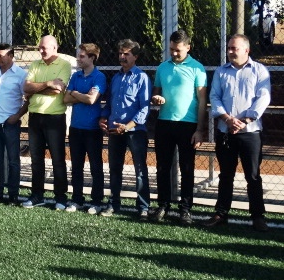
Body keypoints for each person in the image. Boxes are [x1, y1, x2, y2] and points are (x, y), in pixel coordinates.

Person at [203, 34, 271, 232]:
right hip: (226, 131)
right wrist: (227, 119)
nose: (231, 51)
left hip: (250, 132)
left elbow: (263, 98)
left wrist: (245, 120)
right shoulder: (221, 72)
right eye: (229, 48)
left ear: (247, 50)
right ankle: (221, 214)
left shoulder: (259, 70)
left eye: (235, 48)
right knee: (226, 175)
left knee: (253, 176)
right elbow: (215, 96)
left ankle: (257, 216)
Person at [150, 30, 207, 226]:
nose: (174, 53)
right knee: (162, 167)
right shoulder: (162, 67)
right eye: (171, 49)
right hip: (164, 123)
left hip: (188, 125)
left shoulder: (197, 68)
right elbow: (156, 93)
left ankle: (185, 209)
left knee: (187, 168)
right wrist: (156, 98)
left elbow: (202, 100)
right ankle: (163, 205)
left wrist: (199, 129)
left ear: (188, 48)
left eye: (178, 50)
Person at [99, 39, 151, 220]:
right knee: (114, 168)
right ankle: (113, 203)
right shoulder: (116, 78)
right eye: (120, 53)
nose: (122, 57)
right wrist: (103, 118)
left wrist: (128, 126)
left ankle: (143, 207)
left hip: (135, 132)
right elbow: (109, 104)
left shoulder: (142, 78)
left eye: (126, 54)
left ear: (135, 57)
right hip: (115, 131)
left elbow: (144, 108)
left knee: (140, 170)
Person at [22, 35, 72, 210]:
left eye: (44, 47)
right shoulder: (35, 64)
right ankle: (37, 195)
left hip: (55, 118)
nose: (41, 50)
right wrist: (49, 83)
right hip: (35, 116)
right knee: (36, 160)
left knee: (58, 160)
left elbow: (58, 90)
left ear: (55, 48)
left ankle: (60, 197)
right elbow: (26, 87)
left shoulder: (64, 65)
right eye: (40, 47)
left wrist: (35, 89)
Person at [0, 44, 29, 205]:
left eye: (1, 55)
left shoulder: (21, 74)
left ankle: (13, 195)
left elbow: (28, 100)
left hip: (10, 125)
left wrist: (17, 116)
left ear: (11, 56)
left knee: (13, 161)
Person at [63, 43, 107, 214]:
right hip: (75, 127)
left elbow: (91, 100)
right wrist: (79, 95)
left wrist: (74, 93)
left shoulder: (99, 77)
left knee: (95, 166)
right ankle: (77, 199)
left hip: (92, 129)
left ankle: (96, 201)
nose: (78, 59)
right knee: (76, 166)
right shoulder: (76, 76)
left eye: (82, 56)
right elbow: (66, 99)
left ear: (92, 58)